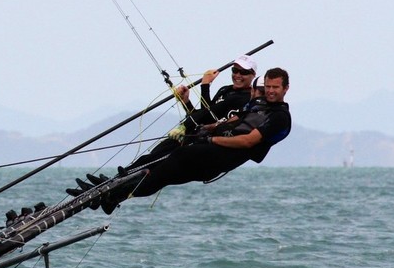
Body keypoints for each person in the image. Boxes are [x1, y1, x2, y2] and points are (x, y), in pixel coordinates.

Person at [71, 67, 291, 213]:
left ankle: (113, 193)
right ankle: (112, 191)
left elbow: (247, 142)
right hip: (208, 152)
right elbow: (225, 121)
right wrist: (205, 128)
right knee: (160, 164)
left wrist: (212, 139)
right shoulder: (254, 106)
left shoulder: (279, 117)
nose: (269, 91)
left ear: (285, 89)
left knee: (170, 162)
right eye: (266, 87)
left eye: (274, 88)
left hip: (219, 157)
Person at [72, 55, 258, 192]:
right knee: (147, 159)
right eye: (235, 70)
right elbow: (199, 116)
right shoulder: (226, 90)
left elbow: (208, 118)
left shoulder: (242, 99)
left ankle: (113, 189)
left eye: (244, 72)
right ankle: (110, 183)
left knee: (152, 169)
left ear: (253, 76)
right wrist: (185, 101)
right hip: (186, 134)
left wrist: (205, 85)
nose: (238, 75)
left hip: (194, 144)